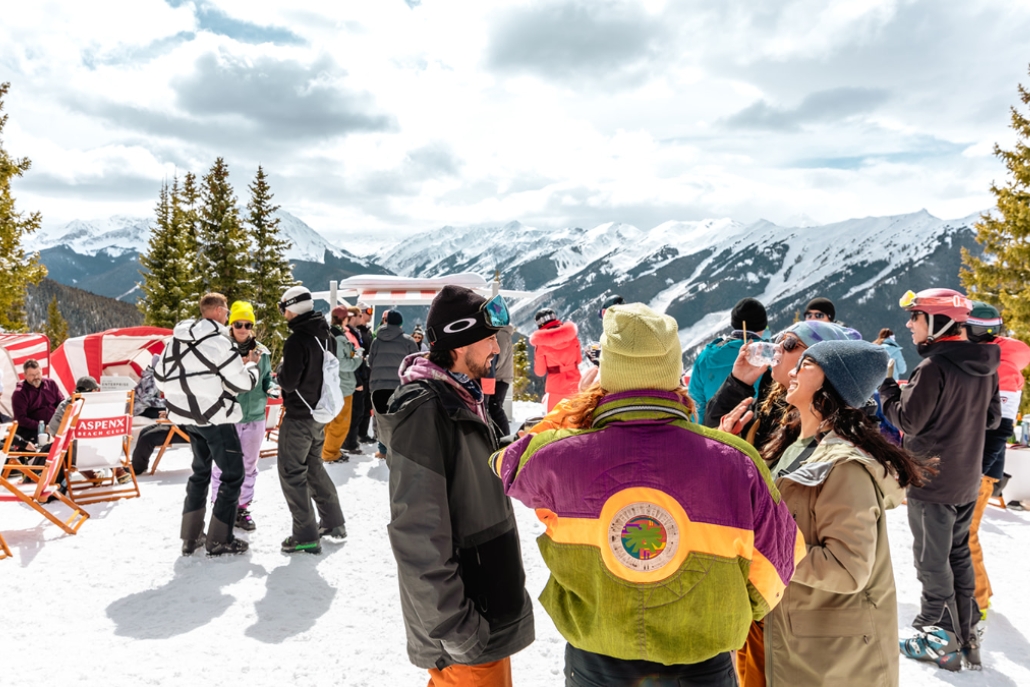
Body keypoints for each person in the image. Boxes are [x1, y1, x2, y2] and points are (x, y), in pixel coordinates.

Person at [493, 303, 801, 687]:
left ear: (608, 374)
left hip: (596, 666)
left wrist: (576, 407)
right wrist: (727, 609)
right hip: (702, 667)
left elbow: (507, 461)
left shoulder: (558, 456)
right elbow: (777, 565)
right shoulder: (735, 461)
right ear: (672, 373)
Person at [378, 285, 534, 687]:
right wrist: (456, 628)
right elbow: (416, 533)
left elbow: (468, 477)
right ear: (460, 341)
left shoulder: (458, 397)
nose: (496, 349)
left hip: (482, 609)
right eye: (489, 338)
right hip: (466, 626)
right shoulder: (425, 410)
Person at [762, 340, 935, 686]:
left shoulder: (845, 467)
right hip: (802, 641)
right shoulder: (796, 445)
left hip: (835, 661)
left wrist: (765, 551)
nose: (793, 372)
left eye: (806, 365)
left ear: (831, 383)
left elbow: (846, 568)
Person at [703, 319, 861, 687]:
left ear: (823, 363)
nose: (776, 348)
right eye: (777, 340)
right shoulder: (779, 412)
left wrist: (766, 550)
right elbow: (720, 440)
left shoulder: (833, 447)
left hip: (790, 604)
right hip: (764, 594)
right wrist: (739, 381)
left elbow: (845, 561)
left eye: (789, 343)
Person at [880, 288, 1001, 670]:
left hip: (931, 483)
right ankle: (967, 636)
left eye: (915, 317)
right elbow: (992, 419)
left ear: (935, 322)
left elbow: (908, 420)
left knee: (931, 564)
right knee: (958, 557)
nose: (909, 324)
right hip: (965, 479)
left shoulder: (934, 367)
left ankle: (936, 637)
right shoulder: (985, 365)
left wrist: (887, 391)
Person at [155, 292, 261, 557]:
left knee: (200, 472)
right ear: (218, 311)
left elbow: (159, 379)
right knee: (233, 474)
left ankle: (191, 538)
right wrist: (253, 367)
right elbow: (243, 384)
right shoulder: (218, 343)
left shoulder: (174, 340)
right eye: (226, 312)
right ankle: (219, 539)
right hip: (216, 417)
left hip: (187, 418)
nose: (227, 317)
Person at [963, 301, 1030, 617]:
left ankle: (978, 602)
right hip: (978, 466)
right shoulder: (1000, 359)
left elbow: (998, 433)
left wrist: (975, 472)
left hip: (980, 469)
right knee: (962, 534)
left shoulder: (1000, 368)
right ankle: (979, 593)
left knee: (965, 534)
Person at [276, 285, 347, 554]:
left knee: (292, 473)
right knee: (314, 467)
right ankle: (332, 522)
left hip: (299, 418)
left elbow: (289, 381)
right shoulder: (324, 333)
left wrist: (281, 370)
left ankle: (305, 535)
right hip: (320, 414)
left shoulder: (297, 340)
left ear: (290, 307)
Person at [209, 301, 278, 532]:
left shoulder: (263, 353)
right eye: (238, 323)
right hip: (228, 417)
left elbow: (267, 378)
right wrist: (245, 364)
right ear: (231, 325)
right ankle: (220, 509)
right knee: (222, 465)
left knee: (249, 465)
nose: (243, 328)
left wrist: (271, 388)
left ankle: (241, 508)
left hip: (255, 415)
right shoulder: (220, 350)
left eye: (248, 324)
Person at [689, 297, 768, 422]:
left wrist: (702, 436)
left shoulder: (705, 357)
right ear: (762, 326)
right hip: (754, 433)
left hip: (714, 432)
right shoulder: (767, 356)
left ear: (734, 323)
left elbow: (696, 403)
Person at [368, 309, 420, 459]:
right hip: (400, 386)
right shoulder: (408, 341)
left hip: (378, 385)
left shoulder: (376, 341)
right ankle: (400, 449)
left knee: (381, 418)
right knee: (399, 417)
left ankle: (383, 450)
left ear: (387, 322)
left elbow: (370, 362)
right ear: (401, 323)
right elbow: (415, 364)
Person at [322, 305, 364, 463]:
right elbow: (343, 364)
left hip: (331, 384)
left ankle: (326, 450)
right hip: (343, 385)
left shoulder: (327, 334)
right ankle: (330, 453)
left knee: (330, 421)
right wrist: (358, 358)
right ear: (345, 318)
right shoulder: (339, 338)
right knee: (341, 423)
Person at [529, 308, 582, 412]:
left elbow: (540, 372)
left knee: (554, 422)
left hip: (555, 387)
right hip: (575, 383)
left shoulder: (541, 343)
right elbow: (579, 360)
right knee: (577, 419)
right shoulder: (572, 336)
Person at [343, 302, 375, 449]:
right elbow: (350, 357)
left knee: (364, 406)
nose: (370, 314)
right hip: (357, 376)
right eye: (368, 311)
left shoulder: (365, 332)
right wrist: (357, 380)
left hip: (365, 374)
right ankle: (350, 441)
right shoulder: (350, 334)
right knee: (355, 409)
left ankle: (361, 434)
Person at [11, 359, 64, 445]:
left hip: (53, 429)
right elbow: (21, 419)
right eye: (32, 375)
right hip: (31, 433)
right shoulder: (19, 393)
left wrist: (60, 421)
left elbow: (62, 403)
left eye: (38, 373)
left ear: (41, 371)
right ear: (25, 375)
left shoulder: (51, 384)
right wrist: (42, 427)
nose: (36, 377)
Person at [486, 324, 515, 436]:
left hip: (500, 378)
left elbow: (498, 357)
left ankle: (504, 437)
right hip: (500, 376)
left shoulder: (501, 334)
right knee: (495, 408)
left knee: (495, 407)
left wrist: (486, 365)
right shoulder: (501, 333)